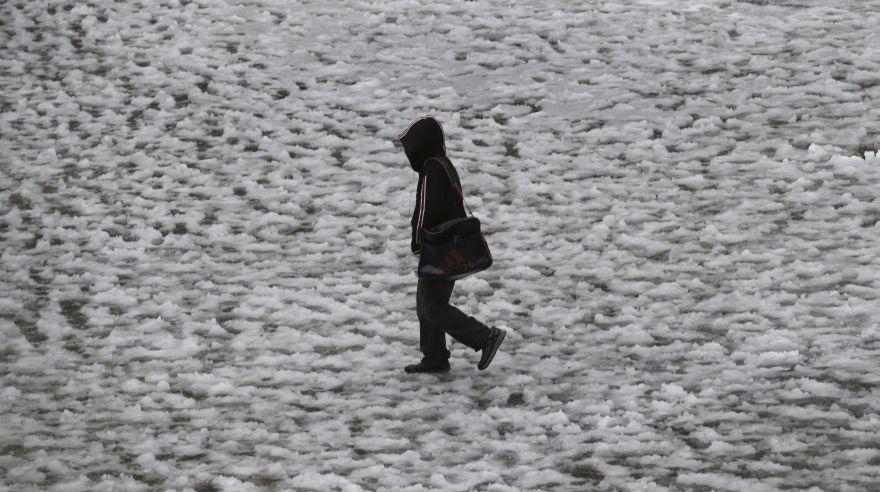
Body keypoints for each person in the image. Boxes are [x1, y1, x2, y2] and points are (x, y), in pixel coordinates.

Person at [397, 115, 506, 373]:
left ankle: (484, 336)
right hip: (449, 247)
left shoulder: (430, 169)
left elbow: (424, 211)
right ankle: (434, 358)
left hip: (437, 249)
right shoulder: (443, 165)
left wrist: (417, 242)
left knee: (432, 307)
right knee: (426, 305)